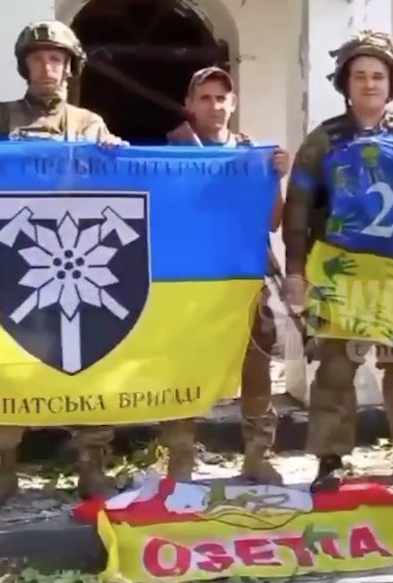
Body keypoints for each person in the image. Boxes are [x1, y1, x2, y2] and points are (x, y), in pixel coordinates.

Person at [0, 20, 126, 507]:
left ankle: (92, 469)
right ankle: (3, 472)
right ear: (25, 66)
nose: (47, 67)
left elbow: (114, 190)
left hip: (78, 260)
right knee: (4, 363)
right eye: (38, 58)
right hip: (13, 261)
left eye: (56, 58)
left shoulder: (90, 124)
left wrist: (116, 155)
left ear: (70, 67)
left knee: (89, 363)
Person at [282, 29, 393, 495]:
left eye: (378, 75)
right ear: (346, 83)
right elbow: (298, 209)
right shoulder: (323, 140)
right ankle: (331, 459)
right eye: (359, 76)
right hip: (341, 274)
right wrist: (295, 272)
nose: (369, 84)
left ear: (391, 82)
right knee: (335, 369)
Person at [159, 66, 290, 484]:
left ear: (232, 104)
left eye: (221, 98)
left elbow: (272, 222)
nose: (214, 106)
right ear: (189, 105)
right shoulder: (172, 153)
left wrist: (275, 178)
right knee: (185, 370)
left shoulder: (251, 154)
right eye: (205, 97)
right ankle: (181, 459)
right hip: (192, 284)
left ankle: (257, 455)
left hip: (245, 280)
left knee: (257, 370)